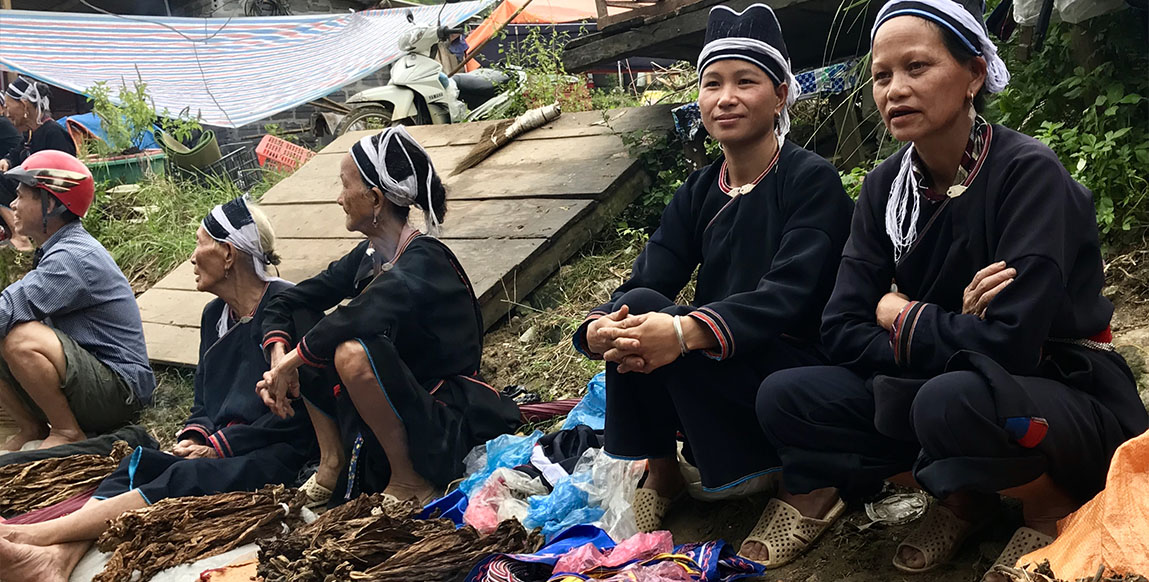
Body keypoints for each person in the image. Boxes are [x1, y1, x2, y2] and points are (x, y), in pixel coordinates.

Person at [755, 0, 1149, 578]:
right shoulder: (885, 189)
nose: (895, 89)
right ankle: (965, 501)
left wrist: (899, 310)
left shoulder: (1027, 173)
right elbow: (840, 325)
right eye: (881, 76)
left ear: (974, 74)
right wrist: (948, 324)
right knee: (787, 396)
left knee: (948, 400)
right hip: (949, 378)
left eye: (917, 67)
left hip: (1058, 392)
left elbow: (1014, 345)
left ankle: (1048, 506)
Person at [570, 3, 854, 566]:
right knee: (635, 307)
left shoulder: (809, 179)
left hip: (795, 359)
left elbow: (789, 295)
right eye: (712, 83)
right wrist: (600, 327)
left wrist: (684, 331)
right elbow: (650, 277)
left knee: (675, 328)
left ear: (780, 96)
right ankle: (664, 472)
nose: (725, 97)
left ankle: (808, 486)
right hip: (721, 349)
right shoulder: (699, 190)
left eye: (745, 82)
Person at [0, 198, 324, 582]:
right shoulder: (214, 317)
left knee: (183, 478)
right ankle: (56, 561)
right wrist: (194, 434)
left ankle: (29, 534)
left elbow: (299, 415)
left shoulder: (289, 309)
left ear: (227, 254)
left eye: (200, 243)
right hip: (220, 447)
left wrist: (218, 447)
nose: (191, 257)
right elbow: (203, 401)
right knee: (138, 464)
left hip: (275, 454)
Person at [257, 126, 520, 508]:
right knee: (303, 317)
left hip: (439, 423)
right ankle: (332, 462)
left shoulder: (426, 259)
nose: (339, 198)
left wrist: (293, 363)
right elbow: (289, 300)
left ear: (375, 198)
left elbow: (362, 314)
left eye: (345, 186)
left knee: (351, 350)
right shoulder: (368, 257)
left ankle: (411, 480)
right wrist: (279, 358)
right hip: (393, 415)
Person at [0, 150, 155, 452]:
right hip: (93, 378)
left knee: (20, 337)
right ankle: (32, 427)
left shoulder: (72, 258)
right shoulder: (56, 250)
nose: (14, 205)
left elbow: (9, 308)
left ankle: (67, 431)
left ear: (52, 203)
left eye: (22, 197)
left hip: (121, 390)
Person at [1, 77, 76, 253]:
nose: (7, 112)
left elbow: (63, 175)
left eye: (9, 105)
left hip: (49, 197)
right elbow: (15, 154)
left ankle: (20, 237)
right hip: (31, 191)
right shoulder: (31, 134)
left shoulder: (53, 133)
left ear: (25, 105)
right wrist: (7, 161)